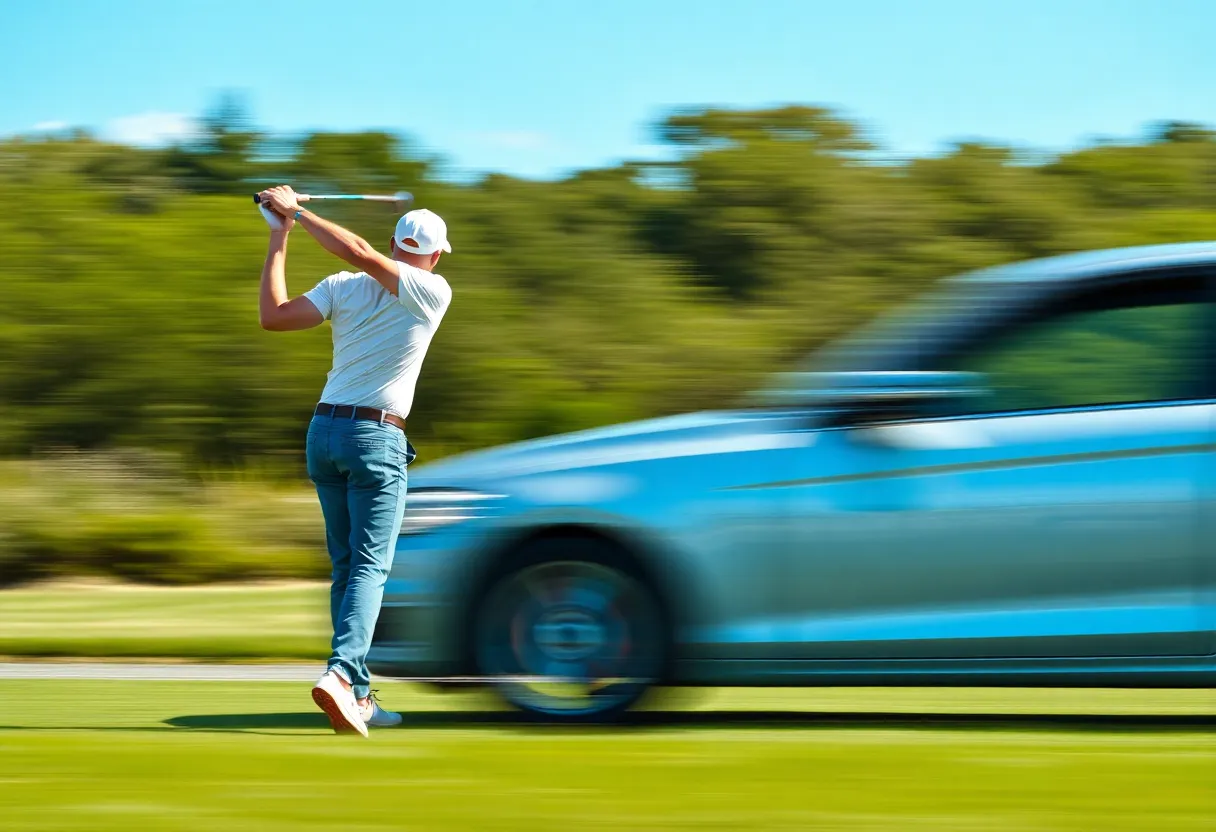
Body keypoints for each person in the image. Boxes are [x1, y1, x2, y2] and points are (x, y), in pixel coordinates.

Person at [256, 185, 453, 736]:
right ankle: (342, 675)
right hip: (374, 439)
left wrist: (282, 234)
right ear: (434, 255)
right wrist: (291, 219)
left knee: (347, 569)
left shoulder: (354, 285)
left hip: (323, 434)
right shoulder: (435, 288)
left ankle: (359, 695)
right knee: (370, 567)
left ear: (397, 243)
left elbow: (275, 316)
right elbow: (356, 255)